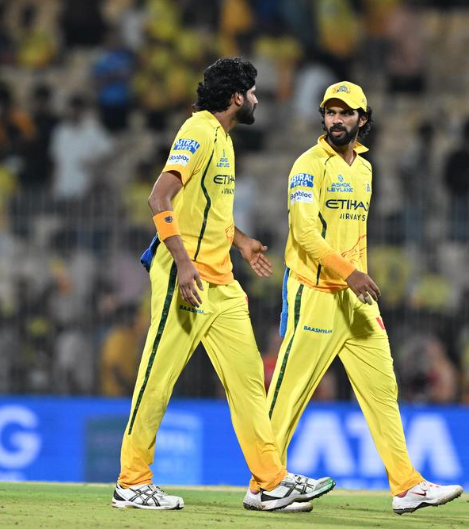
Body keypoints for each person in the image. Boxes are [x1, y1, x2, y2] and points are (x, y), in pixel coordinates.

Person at [113, 58, 334, 512]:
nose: (256, 100)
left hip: (223, 284)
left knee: (249, 383)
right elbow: (159, 197)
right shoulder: (197, 130)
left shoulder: (225, 141)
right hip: (186, 279)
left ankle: (269, 483)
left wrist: (242, 242)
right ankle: (131, 483)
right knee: (157, 379)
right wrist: (182, 263)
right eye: (251, 93)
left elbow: (208, 213)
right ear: (236, 97)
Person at [263, 81, 463, 514]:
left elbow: (353, 235)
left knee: (382, 388)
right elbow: (304, 233)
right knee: (289, 391)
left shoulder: (366, 170)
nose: (336, 120)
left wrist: (357, 277)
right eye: (330, 112)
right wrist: (350, 273)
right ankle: (264, 484)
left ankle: (406, 486)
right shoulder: (308, 165)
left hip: (355, 300)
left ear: (363, 119)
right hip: (315, 292)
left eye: (346, 113)